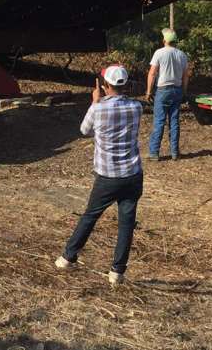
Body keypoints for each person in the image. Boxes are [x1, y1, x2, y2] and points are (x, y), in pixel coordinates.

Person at [55, 65, 143, 287]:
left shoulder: (98, 109)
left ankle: (68, 257)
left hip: (107, 176)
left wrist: (95, 101)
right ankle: (117, 271)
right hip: (133, 174)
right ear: (126, 84)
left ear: (105, 86)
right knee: (126, 223)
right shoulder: (136, 107)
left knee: (90, 216)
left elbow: (85, 130)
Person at [146, 28, 190, 161]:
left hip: (163, 90)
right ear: (175, 41)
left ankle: (154, 153)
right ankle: (175, 153)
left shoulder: (159, 53)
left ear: (164, 40)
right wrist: (184, 91)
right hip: (177, 90)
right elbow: (186, 76)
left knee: (159, 121)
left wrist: (148, 91)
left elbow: (152, 73)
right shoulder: (182, 55)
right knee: (174, 121)